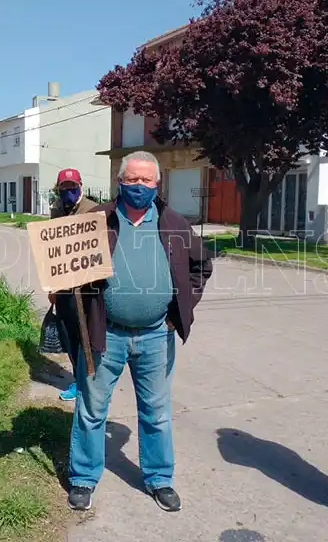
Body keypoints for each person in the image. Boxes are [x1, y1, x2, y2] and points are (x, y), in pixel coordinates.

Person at [66, 150, 213, 512]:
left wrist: (181, 311)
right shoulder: (95, 221)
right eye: (132, 179)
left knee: (157, 411)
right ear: (119, 182)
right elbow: (65, 271)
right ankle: (83, 478)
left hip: (155, 336)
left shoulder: (174, 223)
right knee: (91, 409)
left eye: (146, 180)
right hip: (106, 335)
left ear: (157, 184)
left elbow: (201, 267)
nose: (139, 186)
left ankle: (159, 478)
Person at [47, 168, 98, 401]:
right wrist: (52, 287)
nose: (68, 191)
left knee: (86, 332)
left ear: (81, 186)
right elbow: (51, 251)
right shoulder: (56, 210)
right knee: (68, 332)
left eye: (72, 187)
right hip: (64, 283)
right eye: (64, 188)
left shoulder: (93, 210)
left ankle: (90, 380)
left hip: (89, 284)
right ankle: (79, 380)